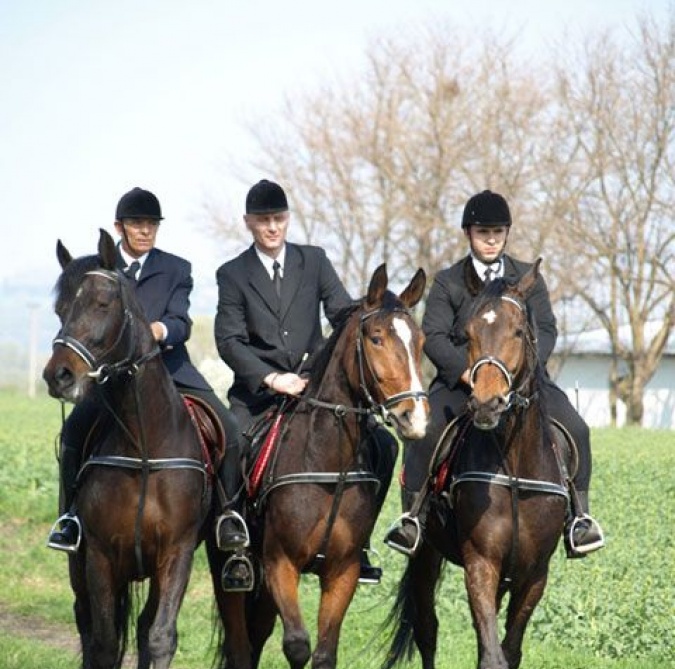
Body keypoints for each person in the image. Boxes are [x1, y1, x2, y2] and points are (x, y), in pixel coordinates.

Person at [47, 187, 253, 590]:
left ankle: (229, 516)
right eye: (137, 224)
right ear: (119, 227)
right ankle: (71, 517)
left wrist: (158, 329)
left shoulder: (176, 268)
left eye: (151, 225)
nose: (145, 231)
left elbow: (181, 322)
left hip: (169, 372)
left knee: (230, 430)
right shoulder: (97, 270)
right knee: (72, 434)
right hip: (111, 381)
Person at [384, 189, 604, 559]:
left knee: (578, 428)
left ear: (506, 234)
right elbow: (434, 335)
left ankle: (578, 518)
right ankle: (413, 519)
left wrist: (523, 373)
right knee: (426, 432)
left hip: (524, 382)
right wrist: (467, 372)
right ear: (468, 233)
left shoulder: (527, 277)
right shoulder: (448, 280)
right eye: (483, 232)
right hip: (462, 382)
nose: (491, 239)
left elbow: (546, 330)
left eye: (498, 232)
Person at [214, 179, 398, 585]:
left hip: (315, 391)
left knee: (384, 444)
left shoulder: (313, 261)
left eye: (279, 219)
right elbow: (228, 340)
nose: (272, 227)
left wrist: (378, 310)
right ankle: (236, 537)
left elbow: (341, 312)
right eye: (264, 220)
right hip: (259, 395)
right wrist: (272, 378)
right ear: (248, 223)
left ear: (288, 220)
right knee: (233, 440)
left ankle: (359, 542)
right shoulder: (232, 274)